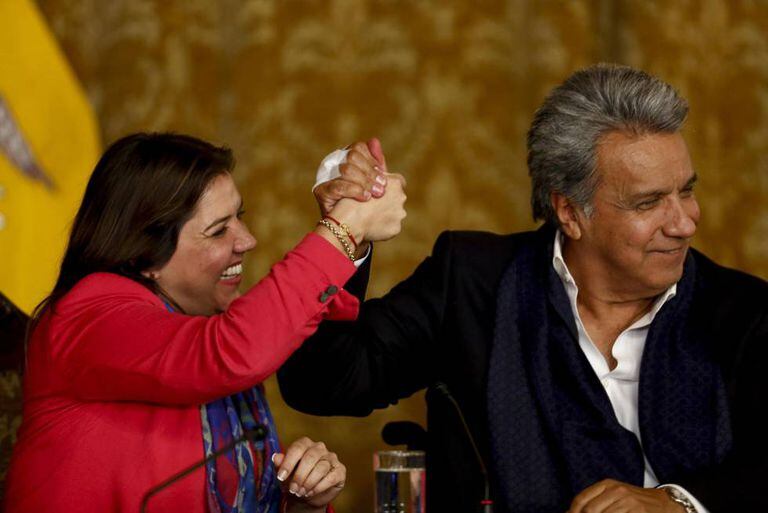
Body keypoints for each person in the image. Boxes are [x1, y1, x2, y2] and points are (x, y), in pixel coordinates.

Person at [279, 64, 768, 513]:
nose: (684, 223)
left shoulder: (745, 311)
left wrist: (678, 503)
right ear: (570, 212)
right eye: (649, 203)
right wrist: (344, 236)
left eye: (686, 191)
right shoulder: (472, 283)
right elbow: (322, 383)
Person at [3, 132, 406, 513]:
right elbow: (234, 350)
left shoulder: (203, 327)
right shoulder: (87, 315)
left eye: (239, 218)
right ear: (145, 256)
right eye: (218, 231)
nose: (247, 240)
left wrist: (302, 503)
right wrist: (345, 228)